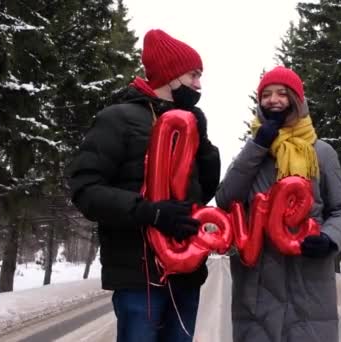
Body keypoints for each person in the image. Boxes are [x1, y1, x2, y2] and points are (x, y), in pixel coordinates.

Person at [66, 29, 220, 342]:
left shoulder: (188, 123)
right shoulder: (117, 119)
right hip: (139, 279)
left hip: (185, 276)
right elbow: (86, 190)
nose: (199, 85)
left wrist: (203, 141)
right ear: (171, 74)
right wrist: (150, 212)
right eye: (194, 75)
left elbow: (204, 191)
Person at [215, 66, 341, 342]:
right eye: (266, 95)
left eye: (282, 93)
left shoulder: (322, 153)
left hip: (308, 286)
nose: (273, 100)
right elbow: (225, 198)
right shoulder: (252, 152)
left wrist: (328, 239)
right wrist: (259, 145)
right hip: (256, 290)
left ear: (297, 100)